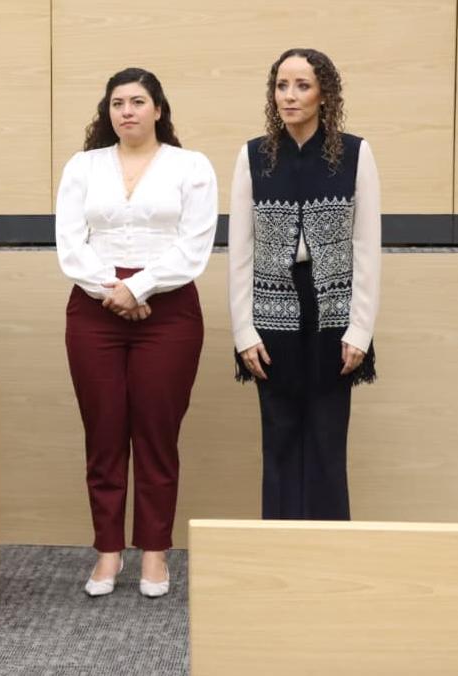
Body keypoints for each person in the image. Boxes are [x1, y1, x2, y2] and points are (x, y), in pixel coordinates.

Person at [55, 67, 217, 598]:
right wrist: (114, 290)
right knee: (103, 433)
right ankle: (108, 551)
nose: (127, 111)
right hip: (94, 308)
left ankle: (153, 551)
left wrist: (140, 287)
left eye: (138, 101)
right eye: (117, 103)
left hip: (169, 313)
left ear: (158, 109)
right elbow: (70, 243)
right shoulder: (83, 166)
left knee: (156, 435)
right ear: (108, 112)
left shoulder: (191, 166)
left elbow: (194, 246)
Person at [228, 48, 380, 521]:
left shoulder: (354, 153)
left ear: (324, 94)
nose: (289, 96)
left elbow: (366, 247)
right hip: (271, 311)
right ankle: (278, 545)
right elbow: (240, 251)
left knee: (328, 439)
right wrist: (243, 331)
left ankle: (331, 548)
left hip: (334, 311)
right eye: (281, 86)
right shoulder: (253, 156)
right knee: (279, 436)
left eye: (302, 86)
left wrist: (361, 329)